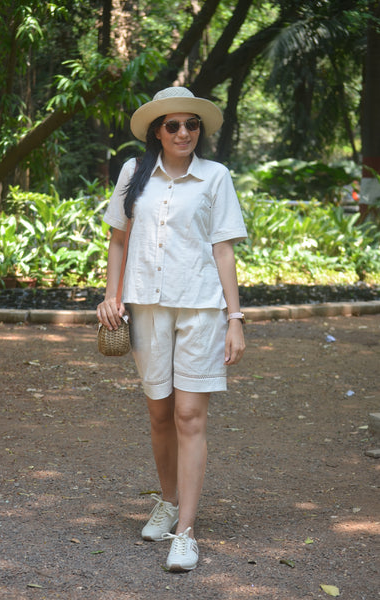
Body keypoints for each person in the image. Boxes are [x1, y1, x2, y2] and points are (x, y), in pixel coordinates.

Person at [97, 86, 247, 572]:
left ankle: (185, 530)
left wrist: (236, 319)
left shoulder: (215, 177)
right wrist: (111, 295)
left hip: (201, 308)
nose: (185, 132)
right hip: (146, 307)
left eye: (192, 125)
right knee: (159, 412)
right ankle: (166, 499)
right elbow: (118, 241)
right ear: (157, 131)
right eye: (174, 125)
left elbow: (224, 248)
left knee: (189, 415)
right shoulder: (133, 174)